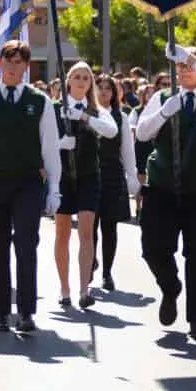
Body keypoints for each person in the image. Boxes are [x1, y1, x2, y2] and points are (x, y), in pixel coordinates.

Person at [0, 40, 62, 334]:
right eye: (9, 61)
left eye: (20, 62)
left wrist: (54, 187)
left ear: (26, 67)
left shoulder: (39, 101)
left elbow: (50, 148)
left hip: (28, 180)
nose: (14, 67)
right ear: (0, 64)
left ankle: (26, 311)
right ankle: (2, 309)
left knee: (27, 244)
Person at [135, 43, 196, 341]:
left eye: (191, 64)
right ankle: (170, 286)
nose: (185, 69)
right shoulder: (164, 97)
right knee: (152, 248)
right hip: (163, 186)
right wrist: (165, 112)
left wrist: (190, 56)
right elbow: (142, 132)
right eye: (180, 65)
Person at [53, 61, 118, 309]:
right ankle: (64, 288)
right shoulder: (55, 108)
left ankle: (84, 289)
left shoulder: (95, 109)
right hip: (63, 177)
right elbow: (44, 141)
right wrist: (61, 143)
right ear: (68, 80)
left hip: (89, 176)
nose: (81, 81)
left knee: (87, 232)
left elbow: (111, 130)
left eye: (85, 78)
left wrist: (83, 117)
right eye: (77, 77)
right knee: (62, 233)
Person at [94, 74, 140, 292]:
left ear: (114, 93)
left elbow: (127, 151)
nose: (103, 92)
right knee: (89, 225)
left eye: (107, 88)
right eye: (100, 88)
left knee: (109, 227)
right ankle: (90, 258)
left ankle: (107, 272)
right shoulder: (86, 113)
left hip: (112, 174)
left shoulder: (120, 117)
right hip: (90, 174)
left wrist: (132, 176)